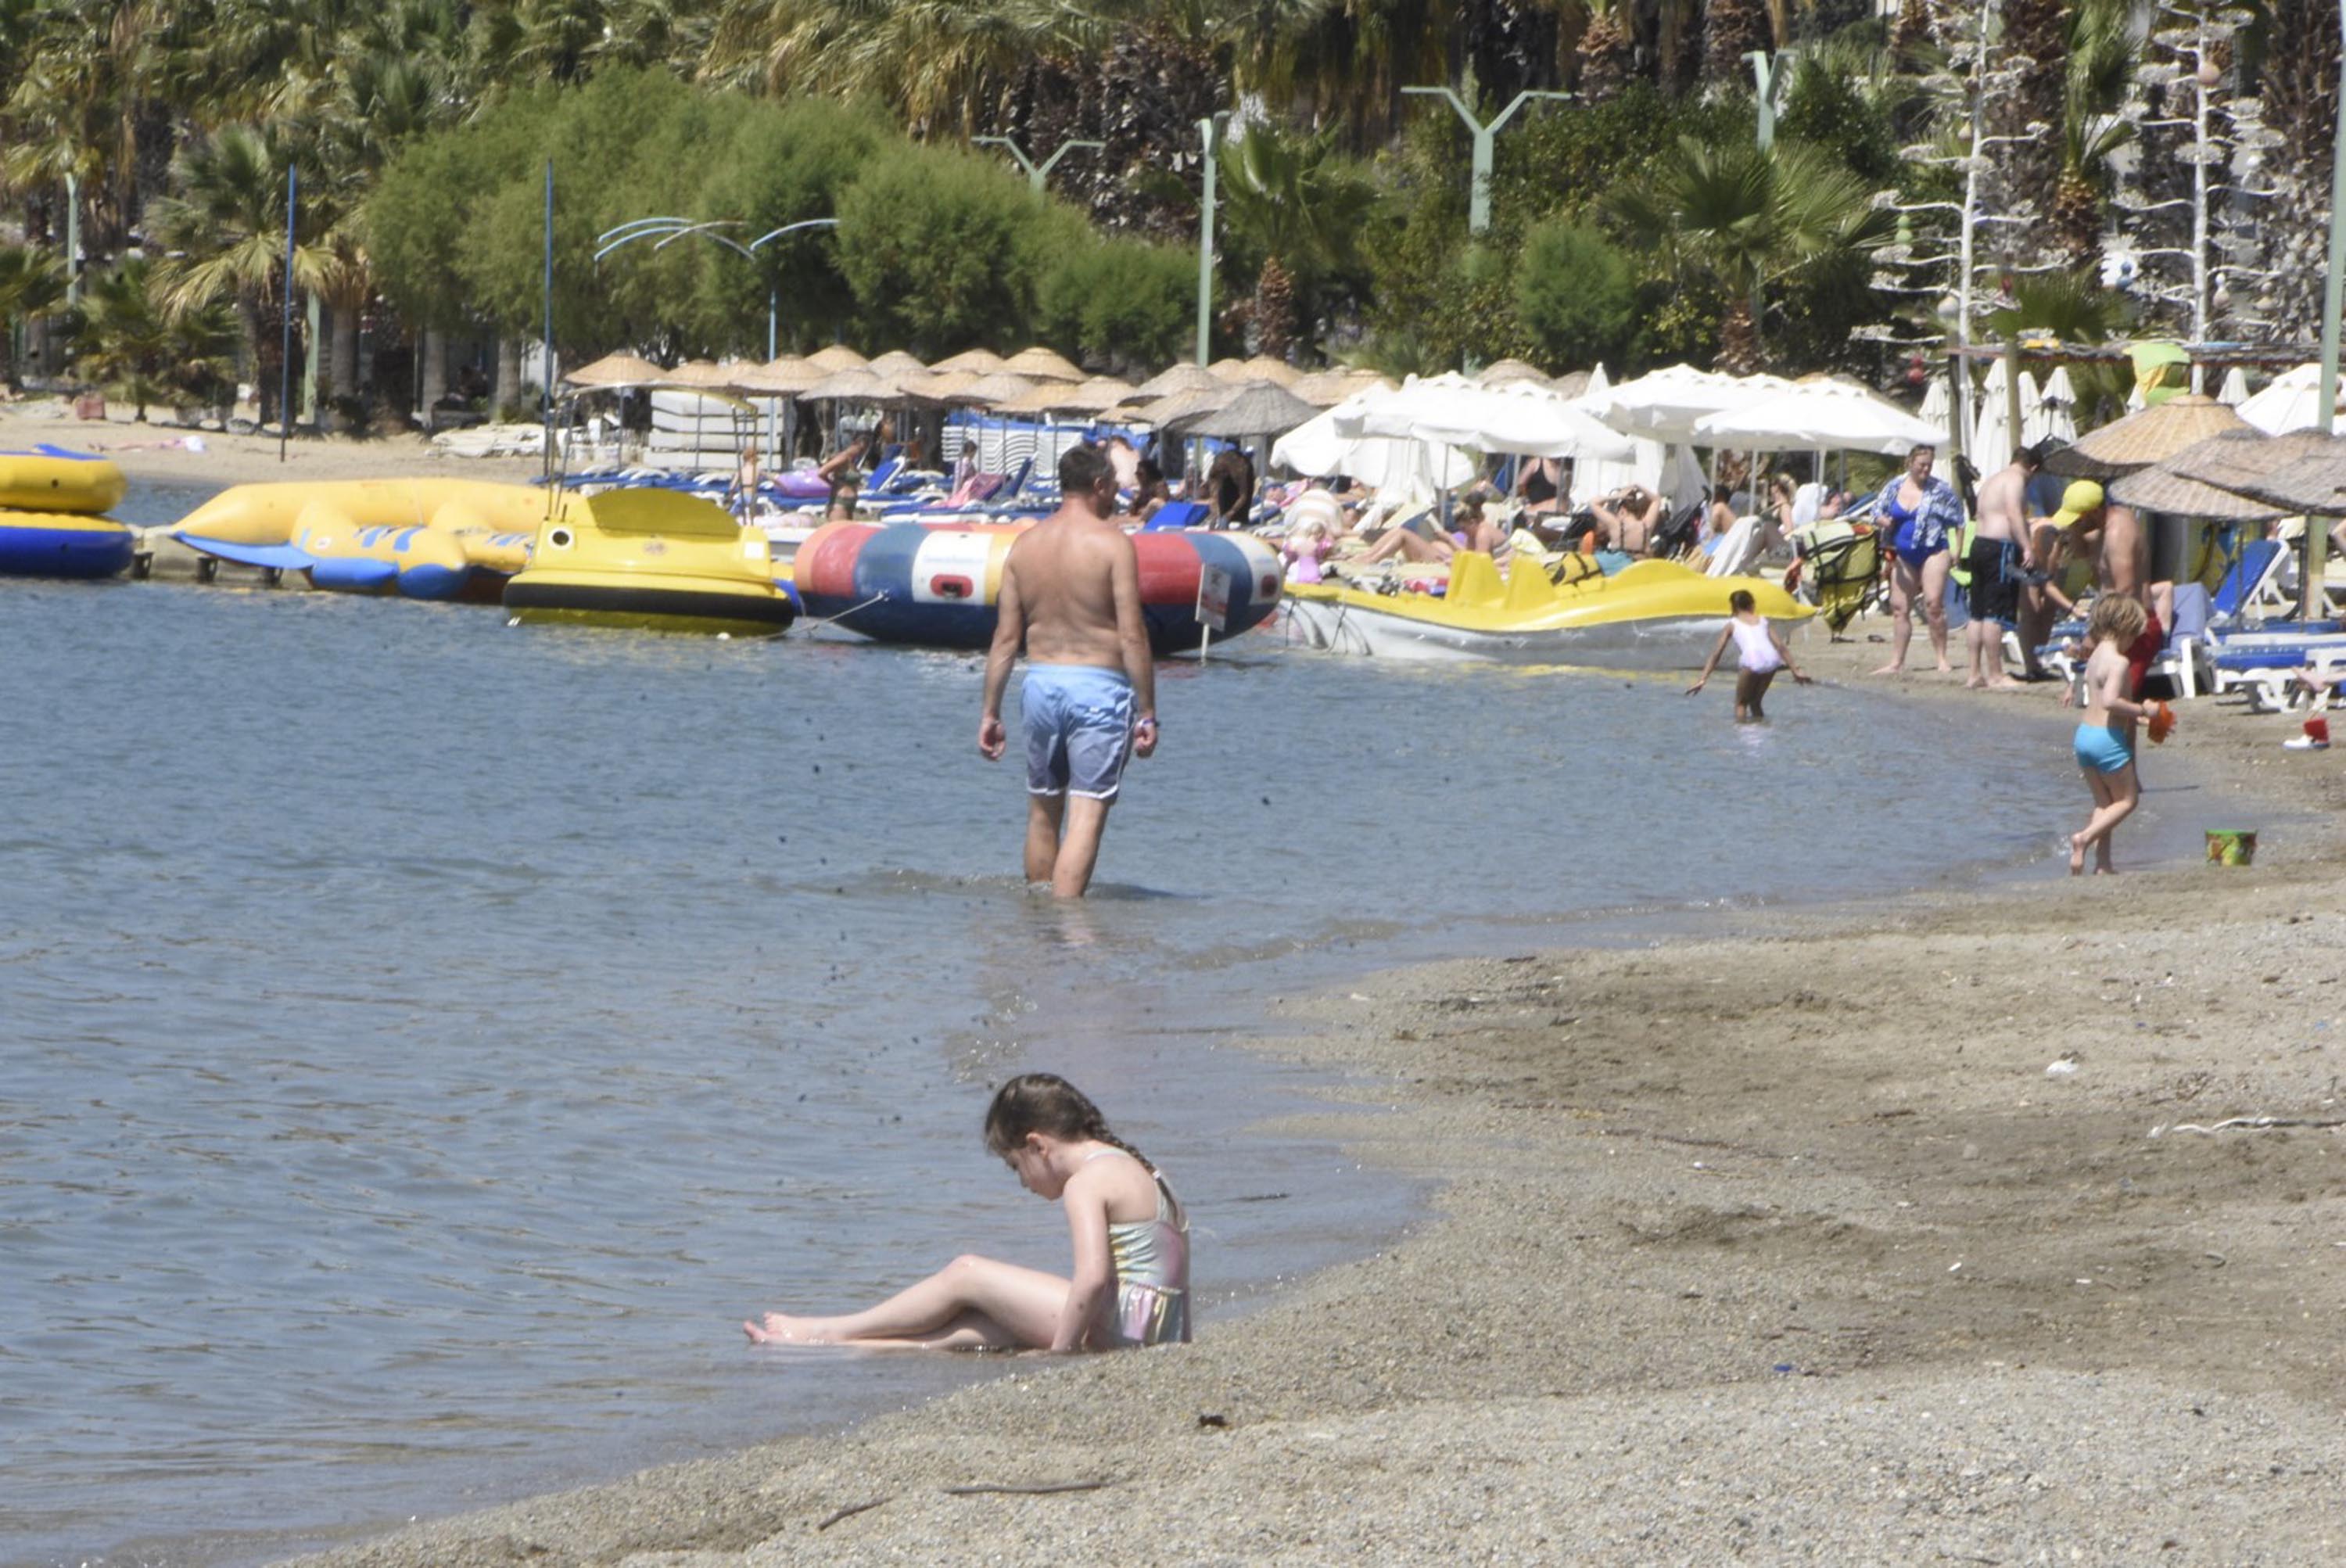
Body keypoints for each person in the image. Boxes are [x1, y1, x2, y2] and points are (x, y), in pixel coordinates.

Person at [744, 1074, 1189, 1351]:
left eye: (1017, 1167)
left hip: (1128, 1332)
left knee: (967, 1272)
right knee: (984, 1322)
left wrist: (1062, 1352)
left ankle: (834, 1331)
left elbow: (1091, 1280)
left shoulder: (1085, 1182)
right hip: (1157, 1329)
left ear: (1037, 1145)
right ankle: (875, 1346)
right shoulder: (1138, 1167)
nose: (1023, 1183)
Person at [978, 444, 1157, 899]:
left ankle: (1038, 930)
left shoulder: (1024, 546)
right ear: (1099, 486)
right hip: (1098, 691)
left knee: (1042, 810)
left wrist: (990, 713)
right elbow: (1132, 634)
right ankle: (1068, 935)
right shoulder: (1114, 543)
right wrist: (1149, 711)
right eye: (1115, 485)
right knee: (1086, 815)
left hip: (1039, 686)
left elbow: (1004, 640)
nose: (1118, 493)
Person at [2068, 594, 2151, 875]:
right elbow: (2111, 701)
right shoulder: (2119, 662)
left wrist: (2133, 717)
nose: (2133, 644)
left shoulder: (2093, 657)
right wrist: (2143, 710)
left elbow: (2102, 700)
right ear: (2126, 627)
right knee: (2128, 801)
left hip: (2084, 736)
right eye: (2134, 637)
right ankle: (2084, 839)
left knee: (2104, 804)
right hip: (2107, 739)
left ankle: (2103, 864)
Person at [1871, 442, 1966, 676]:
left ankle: (1942, 658)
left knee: (1933, 604)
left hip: (1934, 550)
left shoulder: (1940, 490)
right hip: (1903, 553)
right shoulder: (1894, 487)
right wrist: (1882, 521)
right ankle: (1897, 662)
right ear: (1910, 463)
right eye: (1922, 465)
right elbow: (1876, 511)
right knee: (1899, 608)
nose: (1926, 470)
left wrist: (1958, 550)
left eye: (1930, 466)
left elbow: (1960, 520)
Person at [1964, 442, 2043, 688]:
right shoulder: (2015, 480)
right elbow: (2013, 513)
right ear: (2033, 467)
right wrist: (2027, 546)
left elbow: (1978, 514)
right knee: (1994, 613)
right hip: (1999, 547)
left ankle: (1975, 673)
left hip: (1978, 544)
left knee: (1977, 613)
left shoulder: (1992, 480)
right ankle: (1996, 674)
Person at [1687, 588, 1811, 721]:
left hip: (1752, 659)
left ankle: (1743, 736)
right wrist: (1795, 670)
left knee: (1741, 704)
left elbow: (1717, 653)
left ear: (1734, 607)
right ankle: (1761, 731)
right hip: (1772, 659)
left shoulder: (1732, 624)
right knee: (1755, 702)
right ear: (1752, 604)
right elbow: (1780, 646)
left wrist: (1703, 679)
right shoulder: (1763, 621)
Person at [1357, 495, 1507, 567]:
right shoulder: (1476, 532)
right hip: (1453, 560)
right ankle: (1367, 556)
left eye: (1464, 528)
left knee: (1402, 534)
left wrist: (1450, 543)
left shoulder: (1483, 533)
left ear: (1473, 522)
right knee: (1399, 531)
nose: (1463, 531)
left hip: (1457, 564)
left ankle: (1371, 559)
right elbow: (1471, 556)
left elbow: (1480, 565)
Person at [1591, 485, 1663, 558]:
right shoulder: (1647, 525)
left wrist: (1618, 496)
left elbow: (1593, 502)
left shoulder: (1615, 525)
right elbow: (1657, 500)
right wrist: (1638, 486)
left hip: (1620, 567)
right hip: (1641, 566)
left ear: (1622, 511)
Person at [1203, 444, 1255, 525]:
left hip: (1240, 470)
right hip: (1226, 469)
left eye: (1223, 474)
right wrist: (1215, 515)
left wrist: (1231, 512)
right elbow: (1214, 496)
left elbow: (1244, 495)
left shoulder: (1240, 470)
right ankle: (1222, 519)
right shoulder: (1214, 472)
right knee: (1222, 500)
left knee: (1241, 511)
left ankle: (1242, 521)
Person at [724, 442, 762, 519]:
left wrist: (730, 497)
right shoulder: (758, 470)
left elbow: (732, 487)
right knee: (755, 516)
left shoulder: (741, 471)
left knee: (733, 515)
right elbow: (773, 479)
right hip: (752, 496)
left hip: (742, 496)